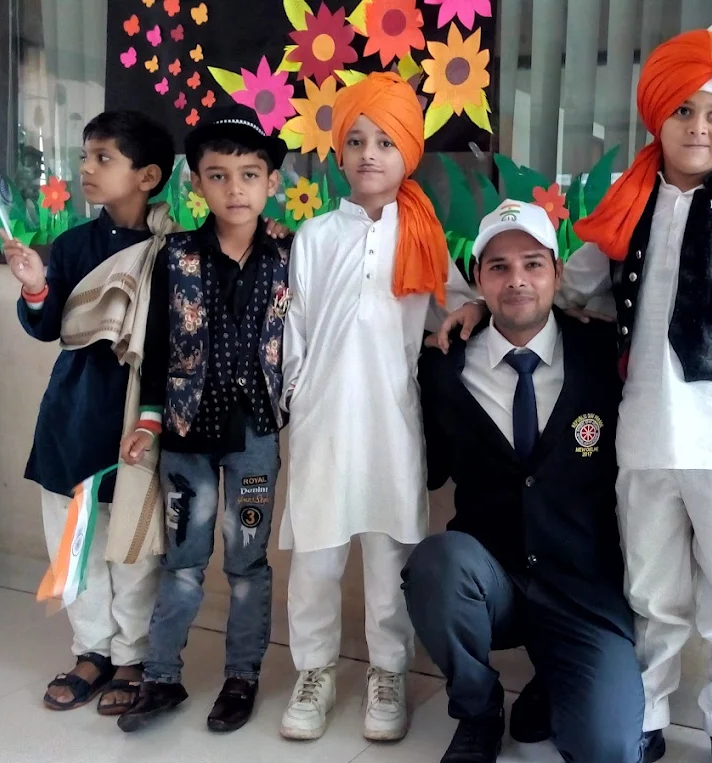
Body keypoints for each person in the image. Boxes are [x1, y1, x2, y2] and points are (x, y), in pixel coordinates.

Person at [438, 30, 712, 763]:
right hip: (647, 433)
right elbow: (559, 289)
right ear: (658, 117)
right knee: (654, 593)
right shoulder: (629, 208)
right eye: (684, 111)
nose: (699, 127)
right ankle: (648, 713)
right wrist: (473, 310)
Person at [414, 201, 712, 763]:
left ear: (557, 273)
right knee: (437, 564)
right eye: (497, 268)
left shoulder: (606, 352)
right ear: (477, 280)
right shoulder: (445, 365)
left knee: (610, 750)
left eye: (532, 264)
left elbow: (689, 388)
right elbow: (430, 468)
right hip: (492, 578)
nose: (517, 280)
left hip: (584, 591)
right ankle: (477, 710)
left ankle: (558, 678)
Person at [277, 72, 478, 742]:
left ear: (409, 154)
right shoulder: (314, 237)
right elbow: (294, 331)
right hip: (322, 422)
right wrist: (296, 403)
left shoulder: (423, 235)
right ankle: (315, 670)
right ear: (337, 153)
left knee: (391, 557)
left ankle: (388, 671)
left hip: (392, 421)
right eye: (356, 139)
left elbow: (459, 299)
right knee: (316, 559)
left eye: (385, 141)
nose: (369, 153)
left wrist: (471, 309)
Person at [113, 104, 291, 735]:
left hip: (256, 441)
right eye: (218, 175)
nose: (234, 188)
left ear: (271, 181)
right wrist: (149, 423)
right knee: (183, 561)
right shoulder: (176, 257)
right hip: (186, 436)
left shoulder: (289, 256)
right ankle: (161, 678)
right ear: (196, 183)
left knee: (247, 561)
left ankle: (242, 676)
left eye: (249, 174)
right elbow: (156, 349)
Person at [2, 111, 174, 716]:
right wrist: (33, 286)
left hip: (136, 417)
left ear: (148, 174)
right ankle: (91, 652)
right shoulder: (73, 245)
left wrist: (154, 416)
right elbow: (48, 327)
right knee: (73, 542)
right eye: (84, 156)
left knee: (132, 544)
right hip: (72, 415)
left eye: (103, 158)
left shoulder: (173, 250)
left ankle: (132, 656)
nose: (85, 169)